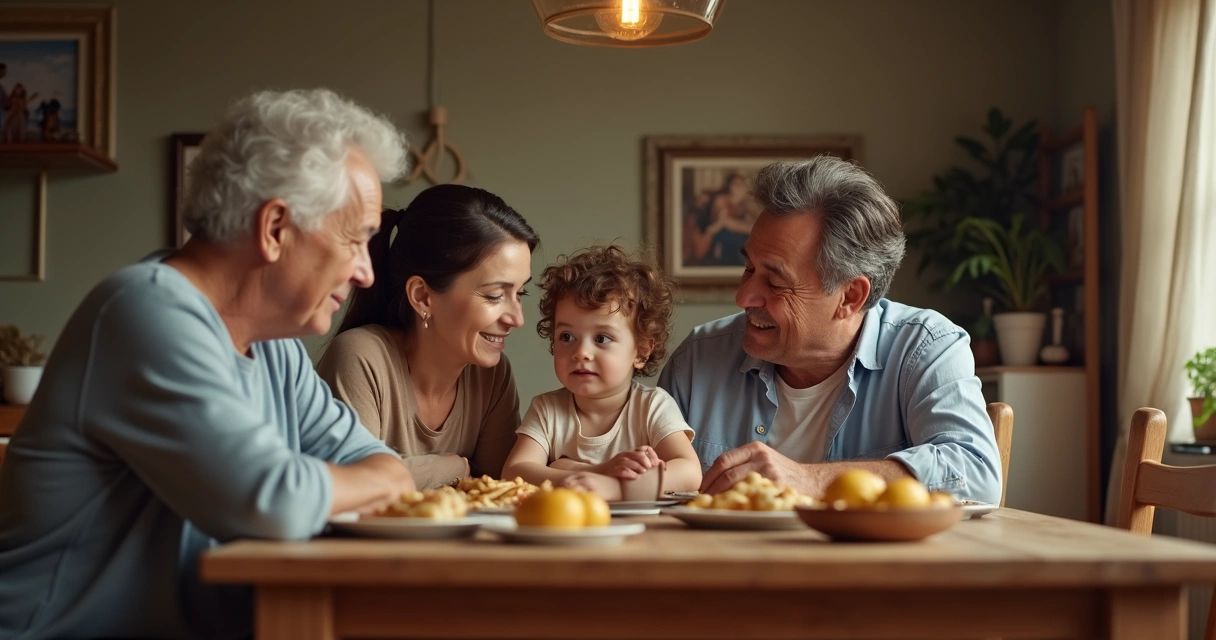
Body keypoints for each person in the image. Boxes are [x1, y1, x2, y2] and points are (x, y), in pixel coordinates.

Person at [0, 88, 416, 640]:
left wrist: (335, 482)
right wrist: (330, 487)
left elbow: (386, 466)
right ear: (274, 229)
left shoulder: (275, 345)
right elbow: (272, 502)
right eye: (356, 239)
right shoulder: (145, 311)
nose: (366, 272)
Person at [658, 156, 1002, 504]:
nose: (743, 297)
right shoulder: (697, 360)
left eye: (776, 283)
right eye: (748, 269)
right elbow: (645, 493)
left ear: (850, 297)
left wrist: (809, 479)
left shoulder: (925, 347)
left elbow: (974, 474)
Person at [317, 185, 538, 490]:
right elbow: (356, 483)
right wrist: (456, 466)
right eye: (495, 295)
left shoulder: (492, 376)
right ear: (422, 296)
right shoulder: (360, 356)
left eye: (520, 292)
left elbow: (501, 490)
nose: (517, 318)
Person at [502, 246, 701, 500]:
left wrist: (615, 488)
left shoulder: (652, 406)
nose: (581, 352)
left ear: (641, 350)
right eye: (567, 337)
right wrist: (598, 472)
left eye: (602, 338)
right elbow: (514, 472)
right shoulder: (547, 409)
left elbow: (689, 471)